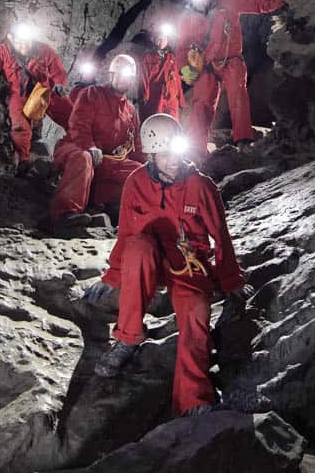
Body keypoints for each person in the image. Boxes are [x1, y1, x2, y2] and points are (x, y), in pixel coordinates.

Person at [83, 113, 252, 417]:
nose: (172, 162)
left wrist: (231, 280)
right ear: (151, 155)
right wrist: (112, 276)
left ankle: (193, 397)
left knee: (197, 311)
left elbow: (221, 237)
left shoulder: (201, 187)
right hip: (149, 257)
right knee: (137, 248)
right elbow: (126, 233)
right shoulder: (136, 182)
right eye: (164, 155)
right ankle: (127, 339)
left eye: (175, 154)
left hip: (188, 262)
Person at [176, 0, 284, 159]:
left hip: (231, 60)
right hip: (207, 67)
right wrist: (184, 68)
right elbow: (182, 47)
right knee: (201, 105)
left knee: (237, 95)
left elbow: (256, 4)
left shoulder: (227, 3)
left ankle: (243, 140)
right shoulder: (187, 19)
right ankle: (196, 150)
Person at [50, 54, 146, 233]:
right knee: (84, 158)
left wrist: (151, 165)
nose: (123, 80)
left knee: (140, 173)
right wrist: (90, 146)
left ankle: (109, 207)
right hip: (75, 147)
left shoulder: (131, 111)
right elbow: (78, 125)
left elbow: (136, 144)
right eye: (120, 74)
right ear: (111, 75)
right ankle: (65, 215)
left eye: (128, 77)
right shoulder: (92, 94)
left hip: (105, 159)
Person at [0, 23, 68, 169]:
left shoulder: (43, 50)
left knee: (70, 115)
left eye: (26, 42)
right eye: (19, 42)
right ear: (11, 38)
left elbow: (57, 70)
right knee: (19, 125)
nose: (24, 46)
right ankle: (24, 161)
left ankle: (82, 147)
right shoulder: (4, 51)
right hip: (20, 93)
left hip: (44, 91)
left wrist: (60, 84)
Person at [139, 22, 184, 122]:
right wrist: (144, 96)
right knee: (156, 123)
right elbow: (143, 77)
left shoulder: (172, 57)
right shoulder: (148, 57)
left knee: (172, 124)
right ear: (154, 39)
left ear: (167, 40)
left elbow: (177, 78)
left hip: (171, 98)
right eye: (158, 38)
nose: (161, 41)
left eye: (163, 38)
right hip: (156, 97)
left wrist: (181, 99)